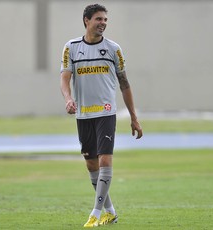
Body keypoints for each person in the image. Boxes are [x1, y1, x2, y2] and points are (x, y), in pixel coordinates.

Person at [60, 3, 143, 228]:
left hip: (106, 113)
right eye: (99, 19)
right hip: (84, 115)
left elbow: (125, 84)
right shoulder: (71, 47)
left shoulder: (114, 49)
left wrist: (134, 117)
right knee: (91, 166)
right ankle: (111, 212)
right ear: (86, 20)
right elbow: (65, 78)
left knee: (105, 160)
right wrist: (68, 99)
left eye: (105, 20)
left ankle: (95, 214)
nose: (103, 23)